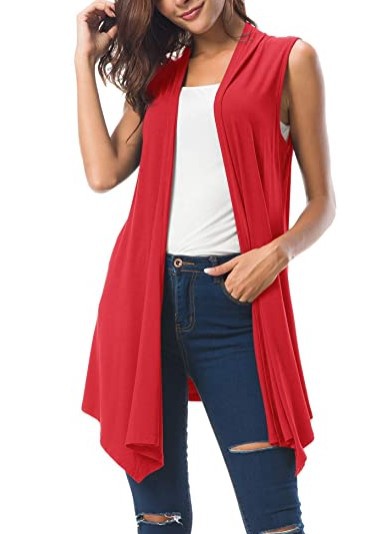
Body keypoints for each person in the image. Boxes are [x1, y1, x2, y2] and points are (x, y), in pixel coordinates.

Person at [75, 0, 335, 532]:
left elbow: (322, 202)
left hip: (235, 306)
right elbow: (103, 173)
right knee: (160, 521)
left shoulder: (290, 60)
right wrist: (84, 60)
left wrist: (278, 253)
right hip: (144, 303)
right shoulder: (161, 77)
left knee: (275, 521)